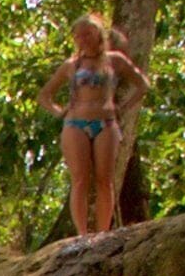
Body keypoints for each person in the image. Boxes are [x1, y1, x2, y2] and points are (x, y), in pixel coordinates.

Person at [44, 16, 146, 239]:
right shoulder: (71, 65)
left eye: (88, 33)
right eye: (78, 35)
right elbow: (45, 95)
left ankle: (103, 233)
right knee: (80, 178)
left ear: (99, 34)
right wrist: (59, 111)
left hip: (106, 123)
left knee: (104, 178)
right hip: (75, 123)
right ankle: (81, 234)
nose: (83, 39)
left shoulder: (115, 61)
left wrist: (123, 107)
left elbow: (142, 85)